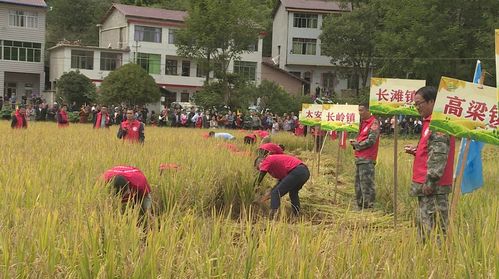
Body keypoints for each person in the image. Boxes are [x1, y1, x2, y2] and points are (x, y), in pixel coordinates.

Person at [404, 86, 455, 243]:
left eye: (420, 103)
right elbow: (430, 150)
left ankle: (437, 260)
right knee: (424, 223)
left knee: (434, 227)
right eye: (415, 104)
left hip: (433, 186)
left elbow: (439, 155)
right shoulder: (428, 122)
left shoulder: (438, 124)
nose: (417, 107)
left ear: (432, 101)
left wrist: (431, 180)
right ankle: (426, 257)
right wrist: (417, 150)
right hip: (426, 183)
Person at [255, 153, 310, 218]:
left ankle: (273, 217)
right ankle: (296, 215)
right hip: (304, 172)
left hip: (297, 171)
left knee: (275, 193)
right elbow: (281, 183)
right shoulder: (276, 165)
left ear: (261, 162)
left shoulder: (267, 159)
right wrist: (267, 195)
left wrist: (254, 187)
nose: (259, 170)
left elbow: (261, 175)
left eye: (258, 167)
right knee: (293, 193)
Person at [349, 104, 380, 210]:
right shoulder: (362, 123)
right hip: (360, 158)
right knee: (358, 184)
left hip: (367, 158)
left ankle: (368, 207)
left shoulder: (373, 122)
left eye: (361, 110)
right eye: (358, 110)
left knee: (366, 184)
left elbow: (371, 140)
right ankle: (360, 205)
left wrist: (357, 144)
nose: (359, 112)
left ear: (368, 110)